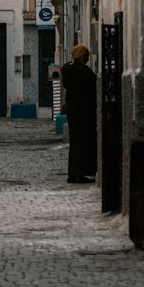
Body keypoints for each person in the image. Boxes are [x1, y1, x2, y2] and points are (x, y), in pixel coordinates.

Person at [60, 43, 97, 183]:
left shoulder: (67, 69)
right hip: (83, 111)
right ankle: (79, 173)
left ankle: (73, 172)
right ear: (83, 56)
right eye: (86, 56)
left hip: (72, 110)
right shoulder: (84, 71)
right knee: (83, 143)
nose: (88, 59)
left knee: (75, 143)